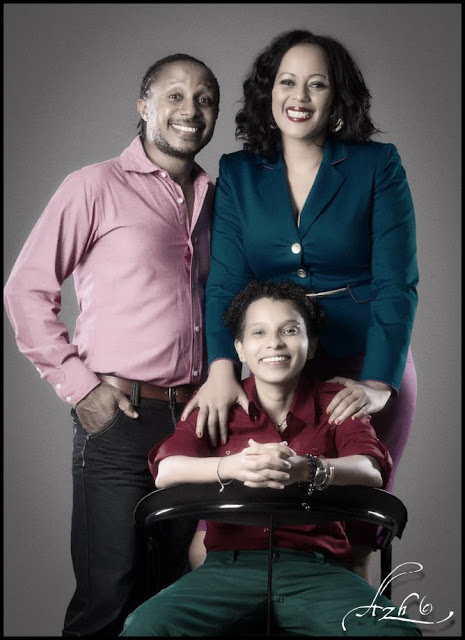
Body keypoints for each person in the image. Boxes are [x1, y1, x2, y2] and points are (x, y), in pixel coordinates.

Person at [181, 29, 418, 580]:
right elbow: (225, 282)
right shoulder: (239, 172)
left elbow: (397, 283)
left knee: (352, 537)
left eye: (318, 84)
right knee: (224, 531)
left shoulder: (378, 165)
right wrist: (222, 369)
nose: (300, 97)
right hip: (273, 365)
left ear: (338, 98)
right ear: (269, 92)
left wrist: (379, 383)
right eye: (287, 82)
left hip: (362, 362)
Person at [4, 53, 219, 636]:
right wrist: (80, 388)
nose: (190, 109)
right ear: (144, 105)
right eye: (175, 95)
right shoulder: (93, 185)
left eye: (204, 98)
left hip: (197, 425)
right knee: (108, 595)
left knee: (175, 598)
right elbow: (25, 290)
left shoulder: (217, 199)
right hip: (119, 419)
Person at [119, 280, 421, 637]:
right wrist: (232, 466)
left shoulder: (336, 400)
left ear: (311, 345)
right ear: (240, 348)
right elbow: (166, 469)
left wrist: (307, 468)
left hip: (316, 569)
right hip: (228, 568)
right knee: (144, 627)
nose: (274, 343)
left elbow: (371, 467)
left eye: (289, 330)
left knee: (396, 632)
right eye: (258, 332)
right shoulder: (217, 404)